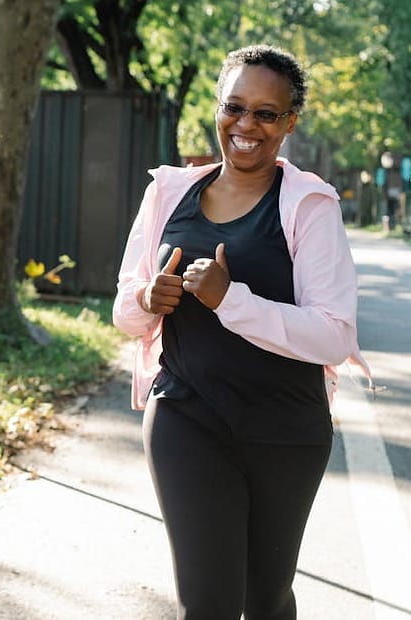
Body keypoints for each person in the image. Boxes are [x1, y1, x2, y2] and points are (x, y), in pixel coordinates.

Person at [112, 44, 372, 619]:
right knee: (207, 602)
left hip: (286, 426)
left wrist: (232, 301)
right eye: (235, 107)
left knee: (265, 598)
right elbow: (126, 314)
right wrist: (145, 297)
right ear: (217, 108)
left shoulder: (310, 206)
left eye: (266, 113)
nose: (246, 125)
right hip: (186, 413)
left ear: (289, 123)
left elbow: (333, 336)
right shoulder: (167, 194)